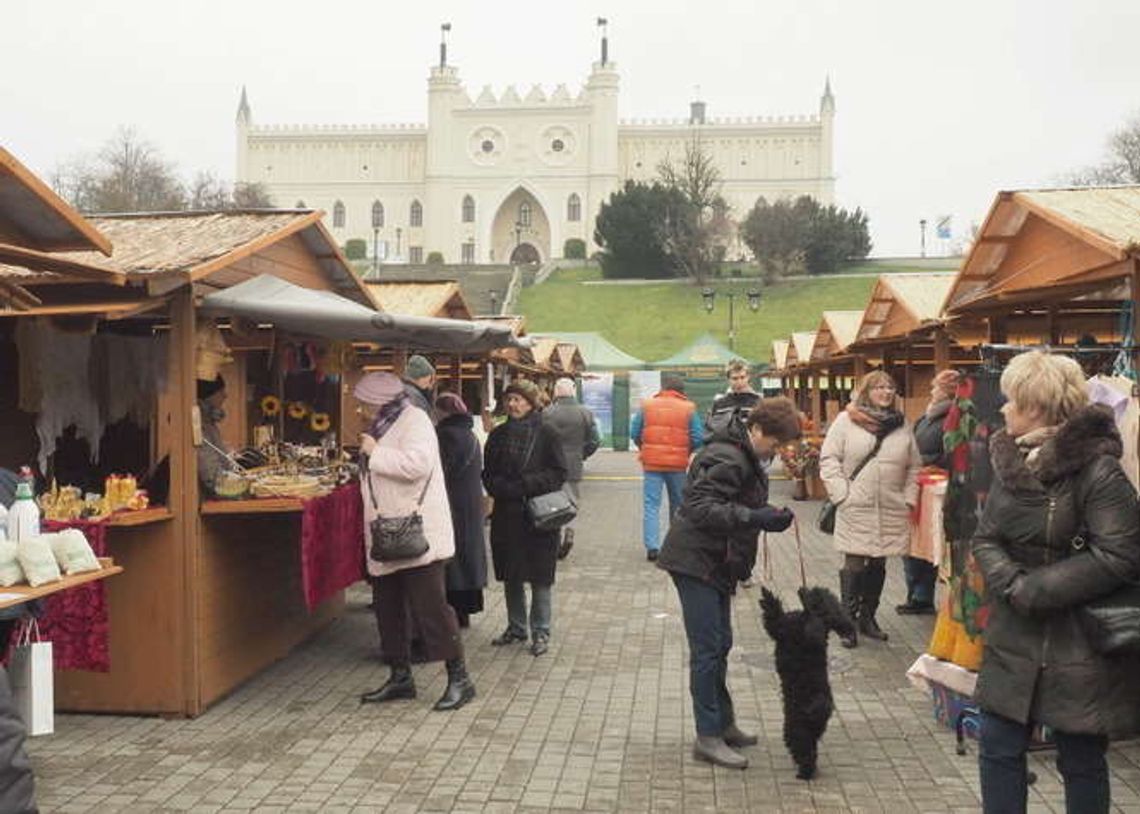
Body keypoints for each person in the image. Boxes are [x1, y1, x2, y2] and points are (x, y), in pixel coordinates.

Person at [971, 351, 1140, 814]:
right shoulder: (1012, 461)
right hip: (1013, 635)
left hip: (1079, 641)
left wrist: (1036, 590)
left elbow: (1121, 555)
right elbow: (986, 537)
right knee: (997, 747)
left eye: (1012, 399)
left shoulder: (1099, 471)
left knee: (1081, 758)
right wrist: (1014, 585)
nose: (1003, 408)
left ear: (1037, 404)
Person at [657, 397, 801, 769]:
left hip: (715, 562)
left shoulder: (742, 453)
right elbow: (699, 507)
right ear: (756, 431)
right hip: (696, 560)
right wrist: (754, 516)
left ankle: (722, 723)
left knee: (720, 643)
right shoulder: (727, 455)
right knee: (707, 649)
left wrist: (762, 515)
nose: (779, 451)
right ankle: (708, 735)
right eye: (776, 442)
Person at [355, 372, 475, 711]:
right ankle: (400, 676)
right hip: (386, 531)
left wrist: (375, 453)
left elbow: (418, 465)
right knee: (388, 607)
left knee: (431, 608)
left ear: (381, 401)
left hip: (416, 532)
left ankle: (460, 679)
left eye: (364, 403)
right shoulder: (383, 424)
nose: (361, 409)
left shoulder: (415, 420)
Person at [819, 370, 920, 648]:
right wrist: (842, 495)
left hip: (891, 505)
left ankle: (868, 618)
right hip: (856, 504)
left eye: (890, 387)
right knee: (854, 562)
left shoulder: (903, 425)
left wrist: (908, 498)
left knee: (879, 561)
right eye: (879, 387)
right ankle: (847, 621)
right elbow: (829, 459)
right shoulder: (845, 421)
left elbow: (914, 466)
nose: (886, 392)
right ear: (866, 391)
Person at [482, 379, 568, 657]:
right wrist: (500, 487)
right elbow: (488, 473)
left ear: (531, 402)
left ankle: (541, 631)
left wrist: (526, 484)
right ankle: (516, 627)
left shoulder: (547, 432)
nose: (513, 404)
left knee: (540, 577)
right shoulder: (498, 435)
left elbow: (558, 472)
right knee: (511, 575)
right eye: (509, 399)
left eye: (518, 399)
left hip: (538, 517)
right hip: (507, 515)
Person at [899, 368, 959, 615]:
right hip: (917, 487)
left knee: (927, 544)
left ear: (946, 391)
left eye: (935, 387)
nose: (931, 391)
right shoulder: (926, 419)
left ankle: (922, 596)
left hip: (936, 491)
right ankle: (913, 593)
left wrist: (922, 460)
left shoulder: (953, 418)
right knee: (911, 543)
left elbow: (951, 455)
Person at [631, 375, 703, 561]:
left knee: (651, 505)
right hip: (678, 465)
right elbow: (697, 437)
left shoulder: (647, 405)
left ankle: (653, 548)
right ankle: (676, 546)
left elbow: (634, 432)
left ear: (663, 388)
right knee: (678, 504)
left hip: (652, 463)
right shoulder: (689, 408)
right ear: (681, 391)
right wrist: (686, 452)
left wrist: (644, 447)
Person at [434, 392, 488, 628]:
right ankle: (466, 610)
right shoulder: (470, 434)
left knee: (454, 562)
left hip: (452, 503)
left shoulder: (446, 436)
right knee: (468, 557)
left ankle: (455, 611)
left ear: (443, 412)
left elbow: (441, 472)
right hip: (471, 502)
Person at [542, 377, 600, 560]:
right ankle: (569, 532)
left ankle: (554, 539)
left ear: (556, 392)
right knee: (572, 502)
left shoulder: (547, 413)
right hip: (574, 465)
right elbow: (596, 440)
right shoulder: (585, 413)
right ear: (574, 391)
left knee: (552, 502)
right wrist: (583, 454)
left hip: (550, 466)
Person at [195, 375, 229, 495]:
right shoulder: (198, 427)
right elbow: (212, 477)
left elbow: (224, 460)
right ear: (208, 396)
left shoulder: (209, 425)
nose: (225, 395)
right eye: (220, 391)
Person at [705, 358, 761, 429]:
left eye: (742, 377)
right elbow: (711, 428)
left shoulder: (758, 401)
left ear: (748, 377)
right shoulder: (719, 403)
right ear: (728, 379)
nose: (739, 382)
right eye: (735, 378)